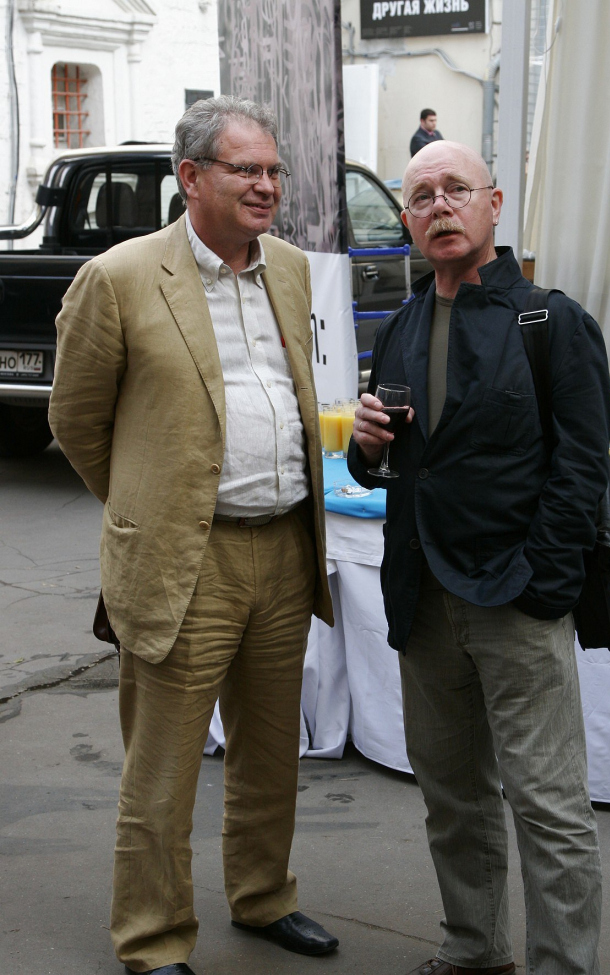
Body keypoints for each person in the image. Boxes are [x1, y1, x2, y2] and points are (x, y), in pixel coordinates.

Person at [49, 95, 338, 975]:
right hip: (186, 556)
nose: (267, 185)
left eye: (274, 170)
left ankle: (263, 894)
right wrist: (147, 505)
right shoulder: (120, 276)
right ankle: (153, 935)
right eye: (246, 169)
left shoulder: (291, 268)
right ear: (191, 177)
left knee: (270, 752)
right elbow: (76, 418)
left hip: (283, 546)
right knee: (165, 765)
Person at [348, 140, 609, 975]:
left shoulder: (549, 321)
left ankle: (562, 964)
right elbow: (394, 464)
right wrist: (365, 447)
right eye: (421, 196)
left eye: (456, 189)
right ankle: (474, 948)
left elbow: (581, 468)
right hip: (423, 597)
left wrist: (543, 582)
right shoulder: (400, 326)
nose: (439, 206)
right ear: (407, 220)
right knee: (453, 796)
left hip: (514, 599)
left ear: (493, 204)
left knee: (548, 805)